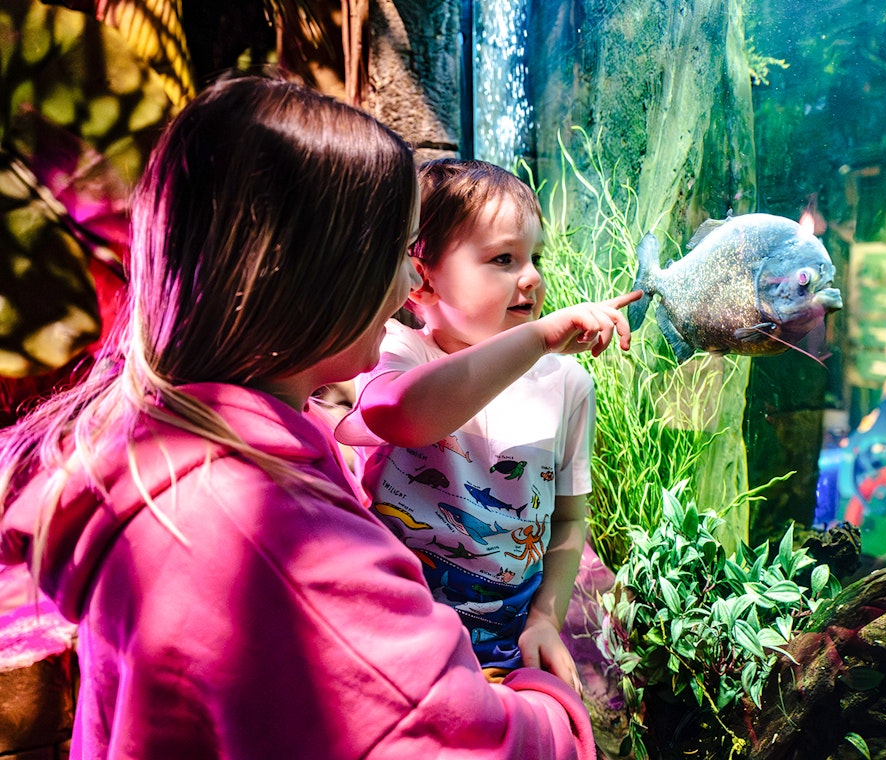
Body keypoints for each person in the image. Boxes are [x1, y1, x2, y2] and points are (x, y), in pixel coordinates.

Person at [0, 75, 603, 759]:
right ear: (318, 272)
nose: (410, 283)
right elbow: (463, 740)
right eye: (397, 253)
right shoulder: (276, 541)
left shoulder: (170, 442)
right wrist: (551, 706)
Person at [337, 158, 638, 693]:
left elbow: (569, 520)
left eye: (534, 257)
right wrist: (538, 339)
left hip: (507, 640)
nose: (532, 277)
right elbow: (401, 416)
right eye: (503, 258)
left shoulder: (568, 385)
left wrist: (545, 619)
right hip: (398, 629)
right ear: (422, 279)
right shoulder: (397, 350)